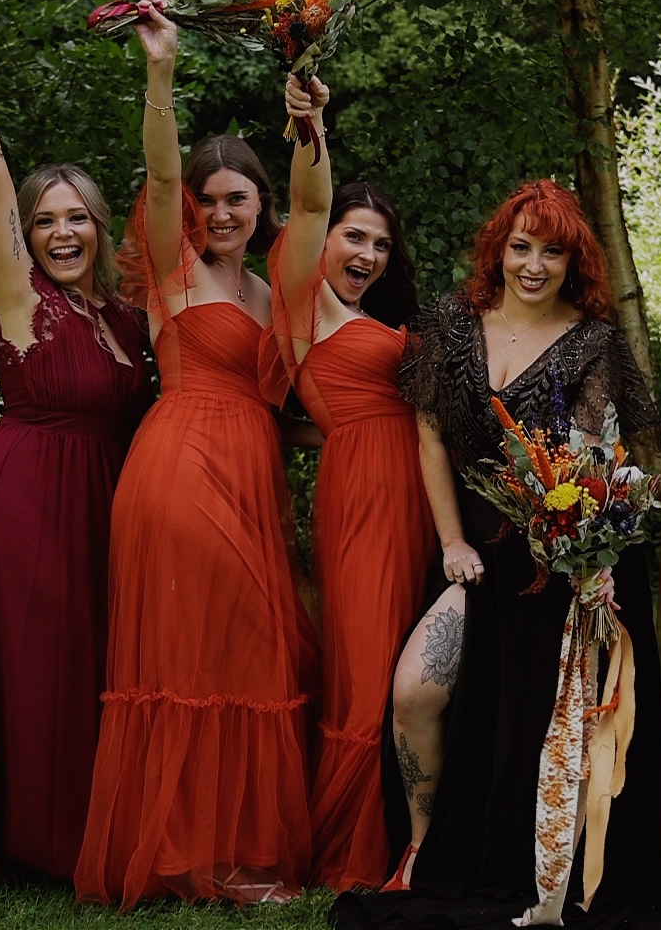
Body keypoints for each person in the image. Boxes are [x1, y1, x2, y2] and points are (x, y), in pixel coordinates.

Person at [333, 179, 661, 930]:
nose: (533, 265)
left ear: (573, 261)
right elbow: (429, 434)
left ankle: (552, 867)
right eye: (521, 248)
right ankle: (423, 853)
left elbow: (593, 458)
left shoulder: (593, 342)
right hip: (472, 549)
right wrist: (451, 542)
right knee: (414, 693)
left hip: (565, 558)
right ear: (498, 249)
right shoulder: (453, 324)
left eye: (551, 252)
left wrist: (582, 559)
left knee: (546, 727)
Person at [74, 0, 319, 907]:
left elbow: (312, 200)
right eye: (209, 200)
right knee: (205, 655)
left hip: (250, 472)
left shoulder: (268, 286)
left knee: (249, 650)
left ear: (259, 206)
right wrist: (161, 74)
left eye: (235, 199)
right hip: (180, 467)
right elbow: (162, 176)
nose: (218, 211)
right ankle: (200, 859)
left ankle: (223, 848)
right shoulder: (175, 270)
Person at [0, 0, 153, 885]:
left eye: (75, 216)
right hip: (18, 496)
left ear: (98, 224)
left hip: (98, 498)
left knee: (83, 664)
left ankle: (84, 819)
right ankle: (23, 837)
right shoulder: (21, 300)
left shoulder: (123, 314)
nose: (58, 232)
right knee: (34, 664)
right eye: (45, 219)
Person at [264, 83, 435, 889]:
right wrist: (311, 124)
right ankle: (353, 845)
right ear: (322, 241)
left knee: (412, 657)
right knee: (367, 663)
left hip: (416, 492)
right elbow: (304, 201)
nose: (366, 255)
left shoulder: (370, 321)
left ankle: (422, 831)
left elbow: (355, 409)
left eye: (380, 246)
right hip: (365, 498)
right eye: (352, 237)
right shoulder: (303, 303)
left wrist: (320, 430)